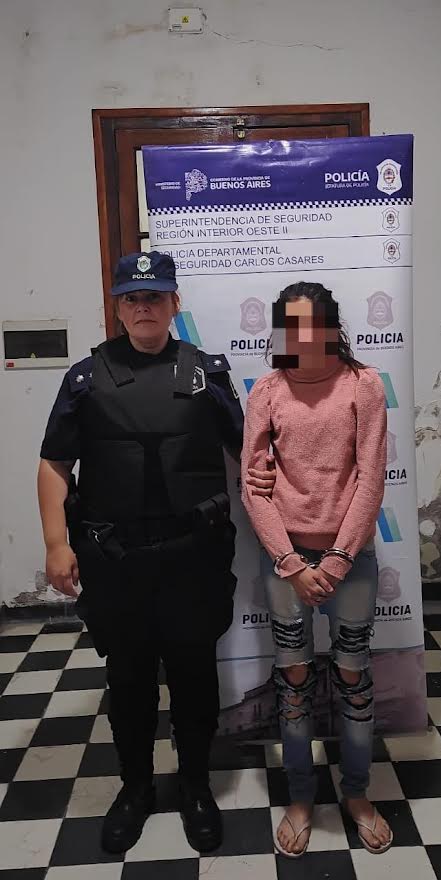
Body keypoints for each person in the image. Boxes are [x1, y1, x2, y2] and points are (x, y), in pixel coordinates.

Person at [37, 251, 275, 855]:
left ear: (174, 304)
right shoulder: (85, 379)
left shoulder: (205, 373)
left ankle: (195, 786)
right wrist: (56, 542)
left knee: (194, 679)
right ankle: (136, 789)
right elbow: (54, 462)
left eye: (154, 296)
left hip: (192, 557)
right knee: (129, 679)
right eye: (132, 298)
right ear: (118, 308)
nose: (143, 307)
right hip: (116, 561)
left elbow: (247, 452)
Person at [241, 281, 393, 857]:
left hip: (350, 561)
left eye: (313, 323)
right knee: (294, 681)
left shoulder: (363, 384)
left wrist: (337, 557)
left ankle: (356, 793)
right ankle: (301, 797)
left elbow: (371, 479)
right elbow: (253, 487)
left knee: (354, 677)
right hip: (286, 563)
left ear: (331, 326)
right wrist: (289, 561)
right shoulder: (268, 390)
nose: (302, 336)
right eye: (292, 325)